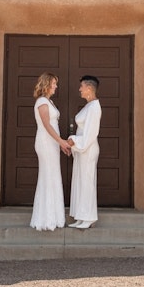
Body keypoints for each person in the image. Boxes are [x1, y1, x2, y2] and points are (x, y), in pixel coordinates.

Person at [29, 72, 71, 231]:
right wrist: (61, 141)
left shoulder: (48, 101)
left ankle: (54, 216)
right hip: (45, 143)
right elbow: (47, 125)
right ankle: (46, 218)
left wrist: (59, 144)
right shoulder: (41, 101)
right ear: (47, 84)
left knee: (53, 176)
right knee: (48, 176)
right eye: (54, 83)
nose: (56, 86)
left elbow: (52, 126)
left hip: (52, 143)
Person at [67, 75, 102, 229]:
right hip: (81, 149)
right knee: (80, 182)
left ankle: (89, 217)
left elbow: (90, 134)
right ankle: (81, 216)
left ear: (89, 88)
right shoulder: (88, 106)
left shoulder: (94, 107)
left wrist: (73, 141)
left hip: (87, 148)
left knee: (87, 182)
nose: (79, 89)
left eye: (82, 86)